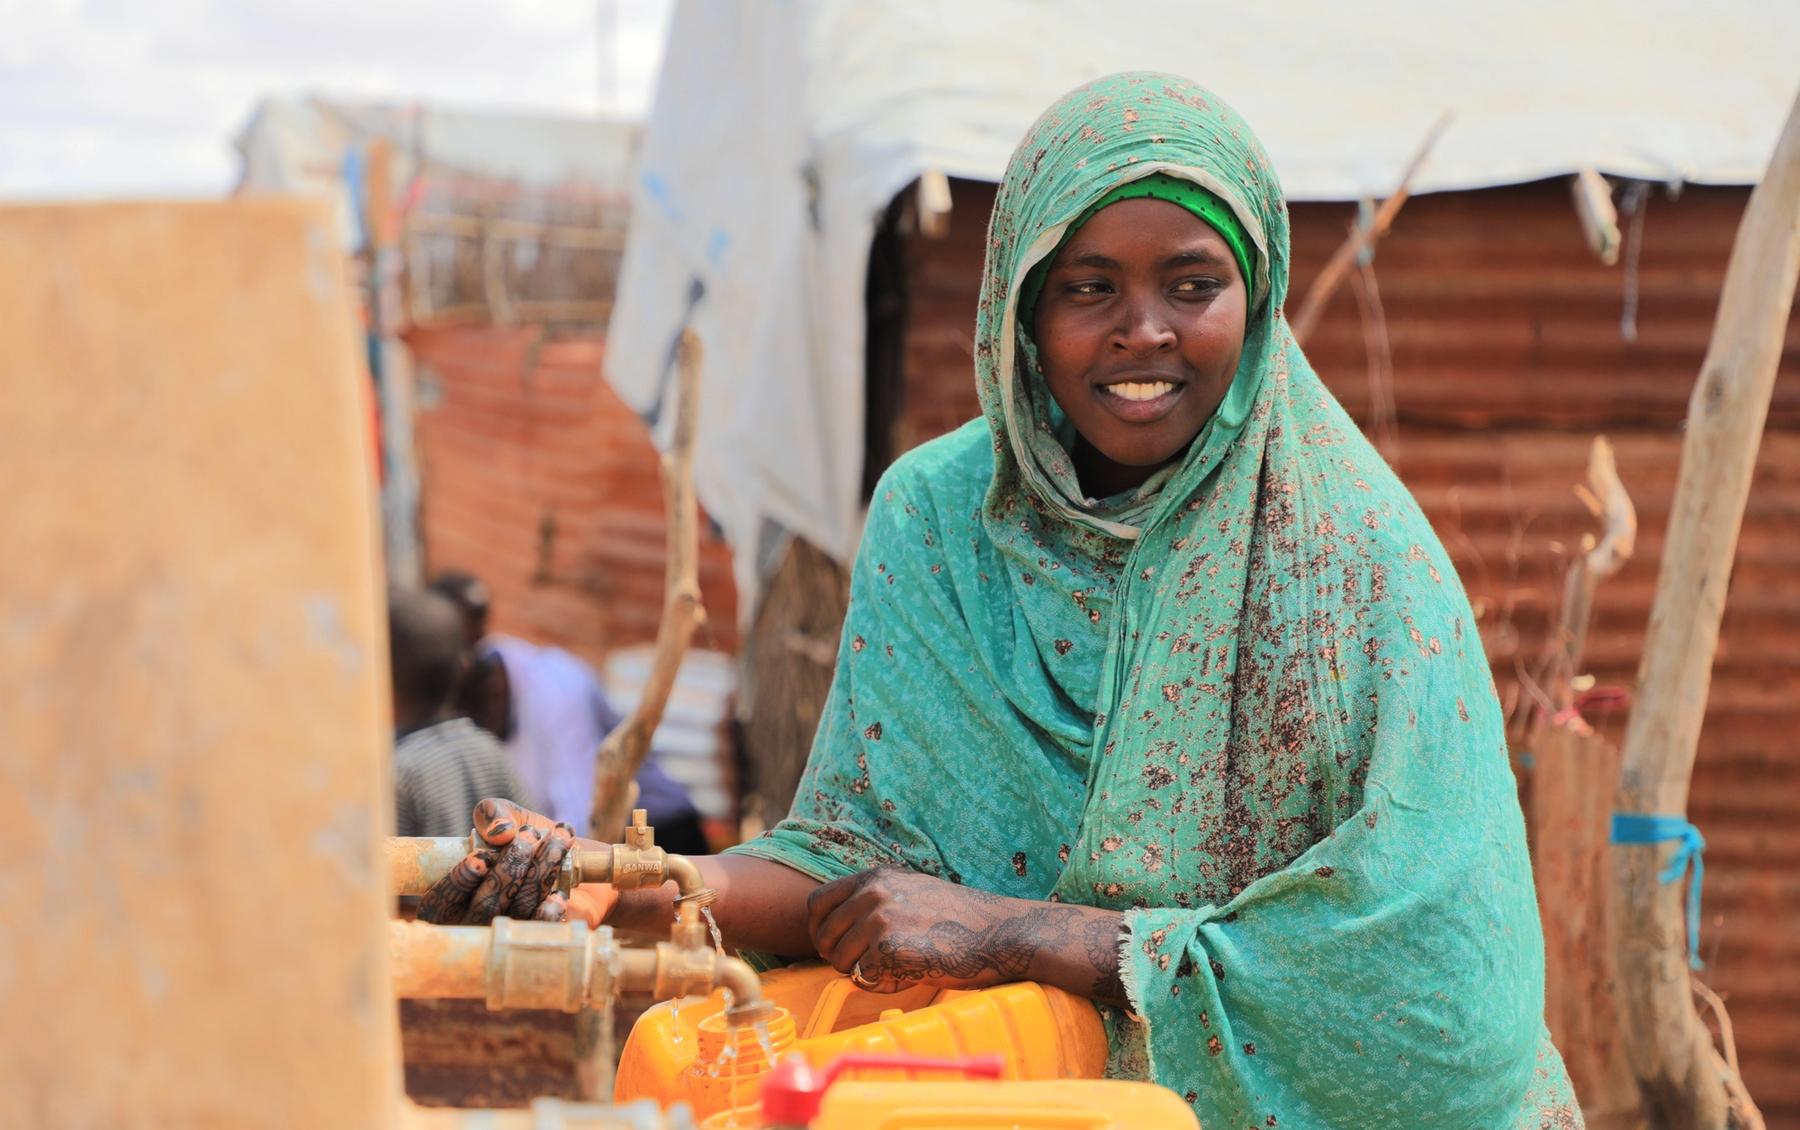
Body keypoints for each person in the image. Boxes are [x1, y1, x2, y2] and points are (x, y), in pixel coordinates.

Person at [421, 73, 1578, 1127]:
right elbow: (857, 861)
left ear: (1259, 296)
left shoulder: (1353, 564)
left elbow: (1444, 998)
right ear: (1018, 311)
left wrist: (1025, 930)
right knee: (697, 1066)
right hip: (1009, 1076)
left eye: (1193, 282)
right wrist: (620, 873)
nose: (1143, 330)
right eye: (1088, 287)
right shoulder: (940, 519)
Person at [427, 570, 709, 854]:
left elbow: (575, 807)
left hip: (656, 835)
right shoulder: (458, 692)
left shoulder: (556, 682)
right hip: (588, 847)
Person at [388, 587, 532, 838]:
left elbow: (387, 867)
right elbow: (534, 832)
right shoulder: (489, 749)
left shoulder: (399, 772)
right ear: (463, 668)